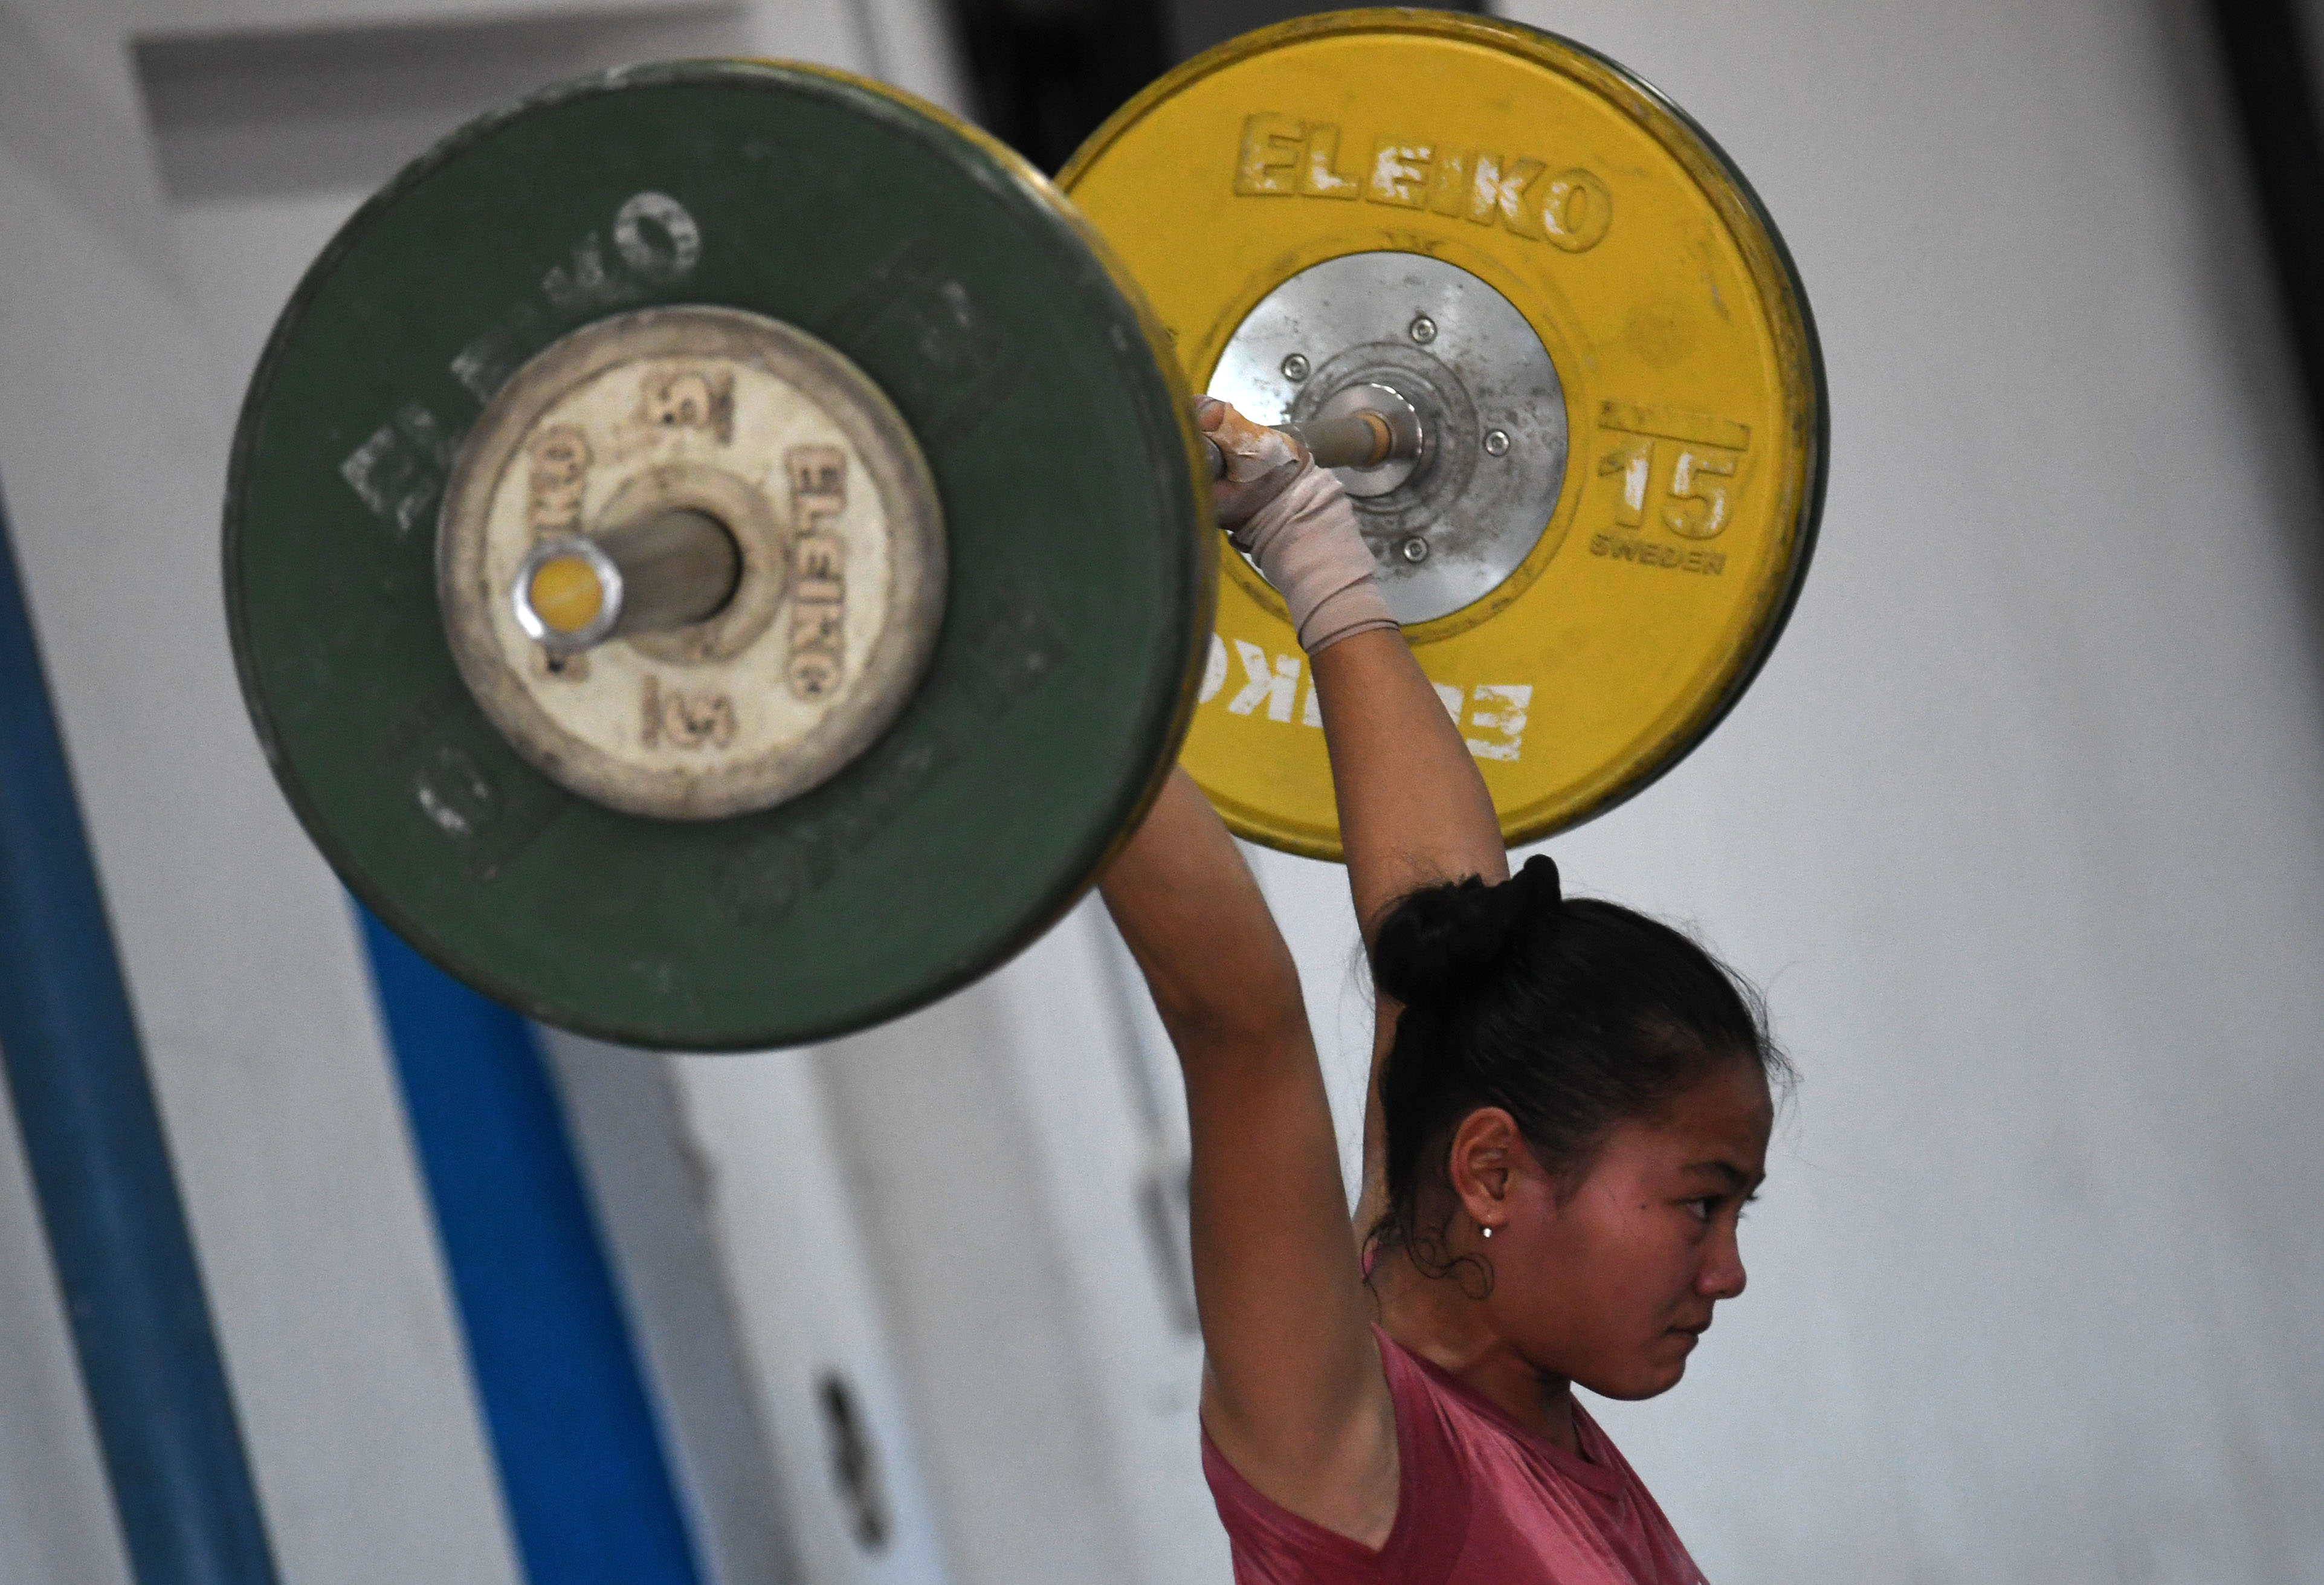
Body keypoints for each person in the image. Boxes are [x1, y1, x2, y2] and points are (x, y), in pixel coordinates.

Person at [1098, 397, 1789, 1584]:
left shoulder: (1502, 1401)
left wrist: (1300, 523)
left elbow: (1438, 921)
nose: (1726, 1271)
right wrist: (1025, 632)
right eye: (1700, 1203)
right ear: (1494, 1171)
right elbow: (1237, 1020)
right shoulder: (1349, 1460)